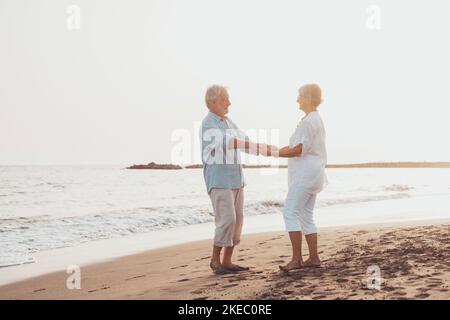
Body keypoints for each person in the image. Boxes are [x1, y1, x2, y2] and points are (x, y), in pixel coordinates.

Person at [200, 84, 276, 274]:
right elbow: (229, 142)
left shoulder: (228, 122)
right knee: (227, 219)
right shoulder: (208, 123)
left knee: (238, 220)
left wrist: (264, 149)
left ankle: (227, 261)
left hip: (236, 179)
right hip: (219, 180)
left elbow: (244, 141)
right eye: (226, 99)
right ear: (213, 101)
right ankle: (215, 260)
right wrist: (257, 147)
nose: (229, 102)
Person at [276, 84, 328, 271]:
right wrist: (276, 150)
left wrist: (276, 154)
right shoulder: (314, 119)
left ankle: (296, 259)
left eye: (299, 96)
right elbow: (299, 146)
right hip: (314, 173)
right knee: (306, 215)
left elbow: (299, 150)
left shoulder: (309, 121)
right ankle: (313, 257)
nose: (297, 99)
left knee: (290, 212)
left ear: (308, 97)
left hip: (306, 174)